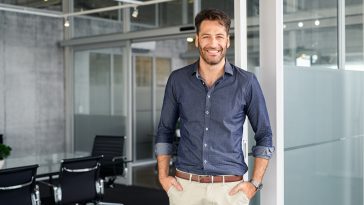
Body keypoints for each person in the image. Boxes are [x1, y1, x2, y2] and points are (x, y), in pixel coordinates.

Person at [155, 8, 274, 205]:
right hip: (185, 188)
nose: (213, 43)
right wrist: (163, 176)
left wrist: (255, 183)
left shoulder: (246, 82)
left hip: (230, 190)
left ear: (227, 40)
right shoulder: (178, 80)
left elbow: (265, 135)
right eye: (206, 36)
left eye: (219, 36)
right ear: (197, 40)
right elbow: (164, 130)